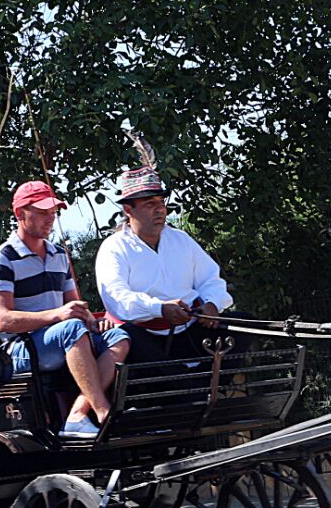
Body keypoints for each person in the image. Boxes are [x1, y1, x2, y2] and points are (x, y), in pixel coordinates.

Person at [0, 181, 129, 438]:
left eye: (53, 212)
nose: (50, 219)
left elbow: (75, 307)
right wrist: (58, 316)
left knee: (120, 336)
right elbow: (3, 320)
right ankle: (104, 411)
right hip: (21, 350)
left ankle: (77, 414)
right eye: (42, 212)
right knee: (71, 329)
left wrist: (92, 321)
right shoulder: (3, 258)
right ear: (20, 214)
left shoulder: (59, 254)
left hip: (62, 337)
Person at [95, 154, 235, 364]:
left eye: (161, 202)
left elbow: (210, 279)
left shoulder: (181, 240)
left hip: (190, 329)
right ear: (128, 209)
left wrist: (212, 303)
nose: (160, 209)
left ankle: (211, 386)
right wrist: (159, 308)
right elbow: (118, 299)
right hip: (145, 336)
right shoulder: (114, 247)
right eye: (149, 203)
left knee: (247, 324)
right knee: (135, 346)